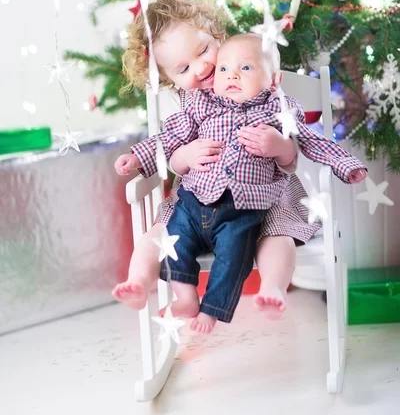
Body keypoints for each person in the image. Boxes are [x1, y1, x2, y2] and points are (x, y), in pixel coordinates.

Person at [115, 31, 367, 333]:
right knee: (169, 238)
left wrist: (338, 162)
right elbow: (168, 138)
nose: (231, 75)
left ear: (273, 79)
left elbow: (312, 141)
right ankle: (161, 290)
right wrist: (138, 156)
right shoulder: (201, 105)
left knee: (254, 247)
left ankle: (272, 288)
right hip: (196, 199)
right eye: (224, 69)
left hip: (254, 204)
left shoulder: (279, 110)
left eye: (245, 68)